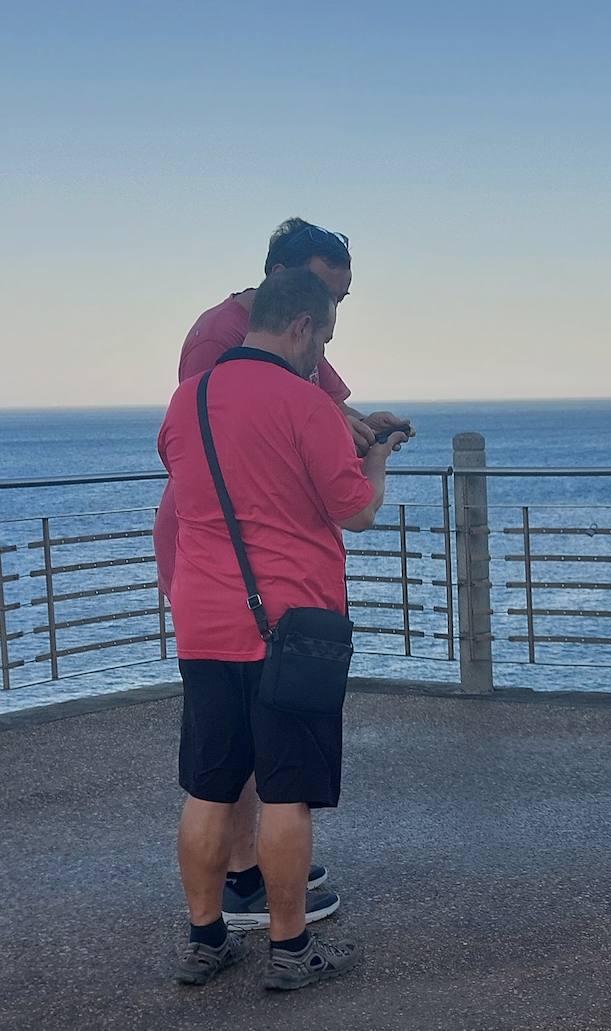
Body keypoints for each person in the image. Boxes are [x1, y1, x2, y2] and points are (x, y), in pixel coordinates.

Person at [153, 218, 411, 931]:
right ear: (302, 322)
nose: (327, 344)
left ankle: (203, 937)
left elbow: (192, 470)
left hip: (205, 611)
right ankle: (288, 942)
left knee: (208, 786)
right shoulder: (300, 397)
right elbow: (354, 510)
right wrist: (374, 457)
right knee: (286, 790)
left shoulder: (187, 398)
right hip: (287, 618)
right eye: (326, 329)